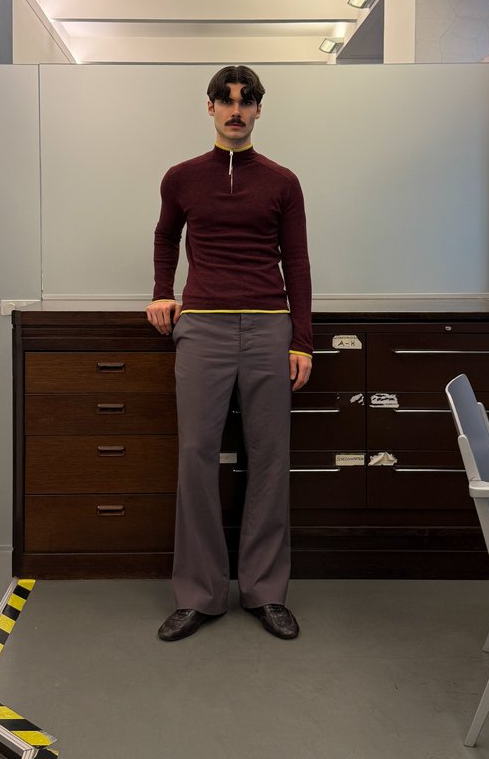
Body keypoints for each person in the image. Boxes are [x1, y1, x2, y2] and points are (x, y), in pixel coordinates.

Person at [146, 65, 312, 641]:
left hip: (269, 327)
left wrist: (303, 340)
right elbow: (167, 239)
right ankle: (200, 594)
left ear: (260, 111)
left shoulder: (283, 182)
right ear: (210, 107)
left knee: (269, 457)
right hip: (204, 328)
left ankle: (265, 592)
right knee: (195, 454)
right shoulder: (182, 178)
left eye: (247, 101)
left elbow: (298, 263)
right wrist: (162, 294)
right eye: (226, 100)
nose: (236, 110)